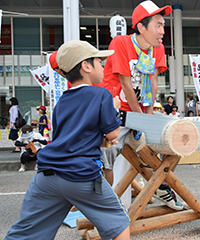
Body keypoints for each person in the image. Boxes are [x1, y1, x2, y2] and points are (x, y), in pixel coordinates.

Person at [4, 40, 130, 240]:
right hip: (80, 173)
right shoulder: (102, 94)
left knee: (29, 232)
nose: (103, 66)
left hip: (47, 174)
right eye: (99, 62)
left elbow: (69, 137)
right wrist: (113, 108)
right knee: (119, 224)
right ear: (86, 66)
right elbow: (114, 133)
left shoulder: (62, 100)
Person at [98, 0, 183, 210]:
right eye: (158, 25)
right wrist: (141, 120)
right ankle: (106, 204)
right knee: (108, 158)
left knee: (174, 134)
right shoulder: (120, 43)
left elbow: (153, 82)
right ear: (141, 27)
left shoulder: (158, 48)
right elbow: (126, 84)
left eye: (163, 25)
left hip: (139, 112)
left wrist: (148, 115)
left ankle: (161, 185)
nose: (163, 30)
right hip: (114, 111)